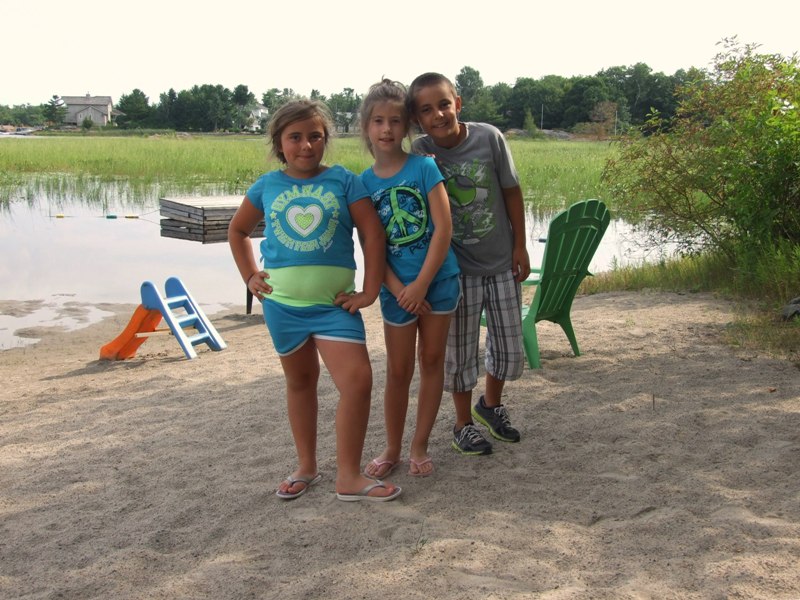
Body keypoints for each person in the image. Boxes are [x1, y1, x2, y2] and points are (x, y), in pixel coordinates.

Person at [228, 99, 401, 502]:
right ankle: (307, 466)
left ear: (326, 140)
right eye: (295, 137)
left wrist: (371, 290)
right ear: (279, 142)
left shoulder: (343, 180)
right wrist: (250, 276)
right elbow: (237, 232)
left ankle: (349, 476)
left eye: (315, 136)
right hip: (282, 306)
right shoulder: (267, 186)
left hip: (333, 307)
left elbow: (372, 235)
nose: (306, 145)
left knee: (358, 382)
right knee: (301, 383)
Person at [406, 72, 531, 456]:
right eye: (426, 110)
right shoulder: (419, 152)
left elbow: (511, 191)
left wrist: (521, 246)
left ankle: (490, 406)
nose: (438, 114)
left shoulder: (489, 138)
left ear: (457, 103)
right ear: (417, 118)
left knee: (509, 347)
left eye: (444, 104)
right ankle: (462, 424)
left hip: (499, 261)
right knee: (459, 353)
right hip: (456, 271)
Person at [358, 79, 461, 478]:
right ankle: (392, 448)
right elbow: (371, 246)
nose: (387, 129)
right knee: (398, 371)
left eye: (395, 121)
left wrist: (421, 285)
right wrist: (401, 289)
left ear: (407, 127)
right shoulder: (363, 184)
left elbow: (443, 228)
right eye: (378, 121)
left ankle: (420, 445)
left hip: (438, 282)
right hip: (395, 290)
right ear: (366, 127)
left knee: (432, 361)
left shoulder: (424, 166)